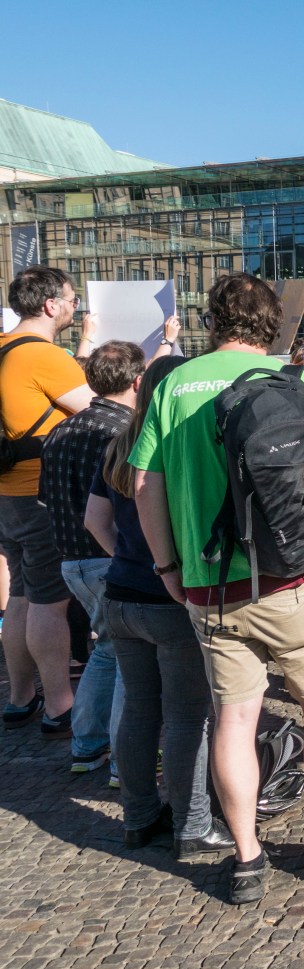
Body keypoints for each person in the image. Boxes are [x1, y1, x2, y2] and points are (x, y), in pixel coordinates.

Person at [130, 273, 304, 905]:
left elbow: (143, 484)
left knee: (235, 718)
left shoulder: (175, 385)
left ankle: (246, 858)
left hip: (211, 584)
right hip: (297, 577)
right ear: (273, 323)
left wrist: (168, 569)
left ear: (211, 321)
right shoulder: (292, 381)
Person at [85, 354, 233, 858]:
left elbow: (94, 521)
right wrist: (161, 566)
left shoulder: (118, 446)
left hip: (121, 595)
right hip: (171, 597)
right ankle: (193, 825)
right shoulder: (180, 443)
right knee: (188, 716)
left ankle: (139, 817)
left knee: (139, 711)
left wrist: (130, 559)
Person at [39, 340, 148, 776]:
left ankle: (87, 746)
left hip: (71, 561)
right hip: (110, 559)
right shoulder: (124, 432)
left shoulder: (61, 430)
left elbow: (46, 500)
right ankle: (125, 761)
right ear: (138, 381)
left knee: (107, 652)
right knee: (128, 661)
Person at [0, 267, 97, 736]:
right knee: (49, 602)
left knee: (21, 594)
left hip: (6, 493)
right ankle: (60, 705)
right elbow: (99, 411)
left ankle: (20, 697)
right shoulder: (42, 355)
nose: (75, 307)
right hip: (38, 493)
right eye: (72, 300)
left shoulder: (3, 347)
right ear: (50, 305)